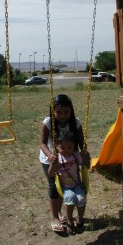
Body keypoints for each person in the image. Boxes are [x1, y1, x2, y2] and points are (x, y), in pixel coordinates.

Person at [39, 94, 88, 233]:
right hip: (50, 159)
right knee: (54, 186)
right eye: (58, 112)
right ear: (53, 111)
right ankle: (55, 216)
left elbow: (81, 142)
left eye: (66, 112)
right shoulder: (48, 122)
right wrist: (50, 156)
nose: (63, 115)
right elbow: (42, 143)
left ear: (71, 110)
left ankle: (64, 213)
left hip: (69, 158)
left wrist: (84, 153)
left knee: (65, 186)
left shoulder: (75, 122)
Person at [48, 131, 90, 235]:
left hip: (77, 184)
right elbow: (50, 173)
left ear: (74, 146)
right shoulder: (57, 158)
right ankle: (70, 221)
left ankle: (80, 218)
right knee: (70, 198)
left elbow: (87, 166)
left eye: (69, 147)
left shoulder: (76, 156)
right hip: (66, 187)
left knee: (81, 198)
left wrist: (86, 158)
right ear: (57, 147)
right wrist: (53, 164)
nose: (66, 150)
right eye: (62, 148)